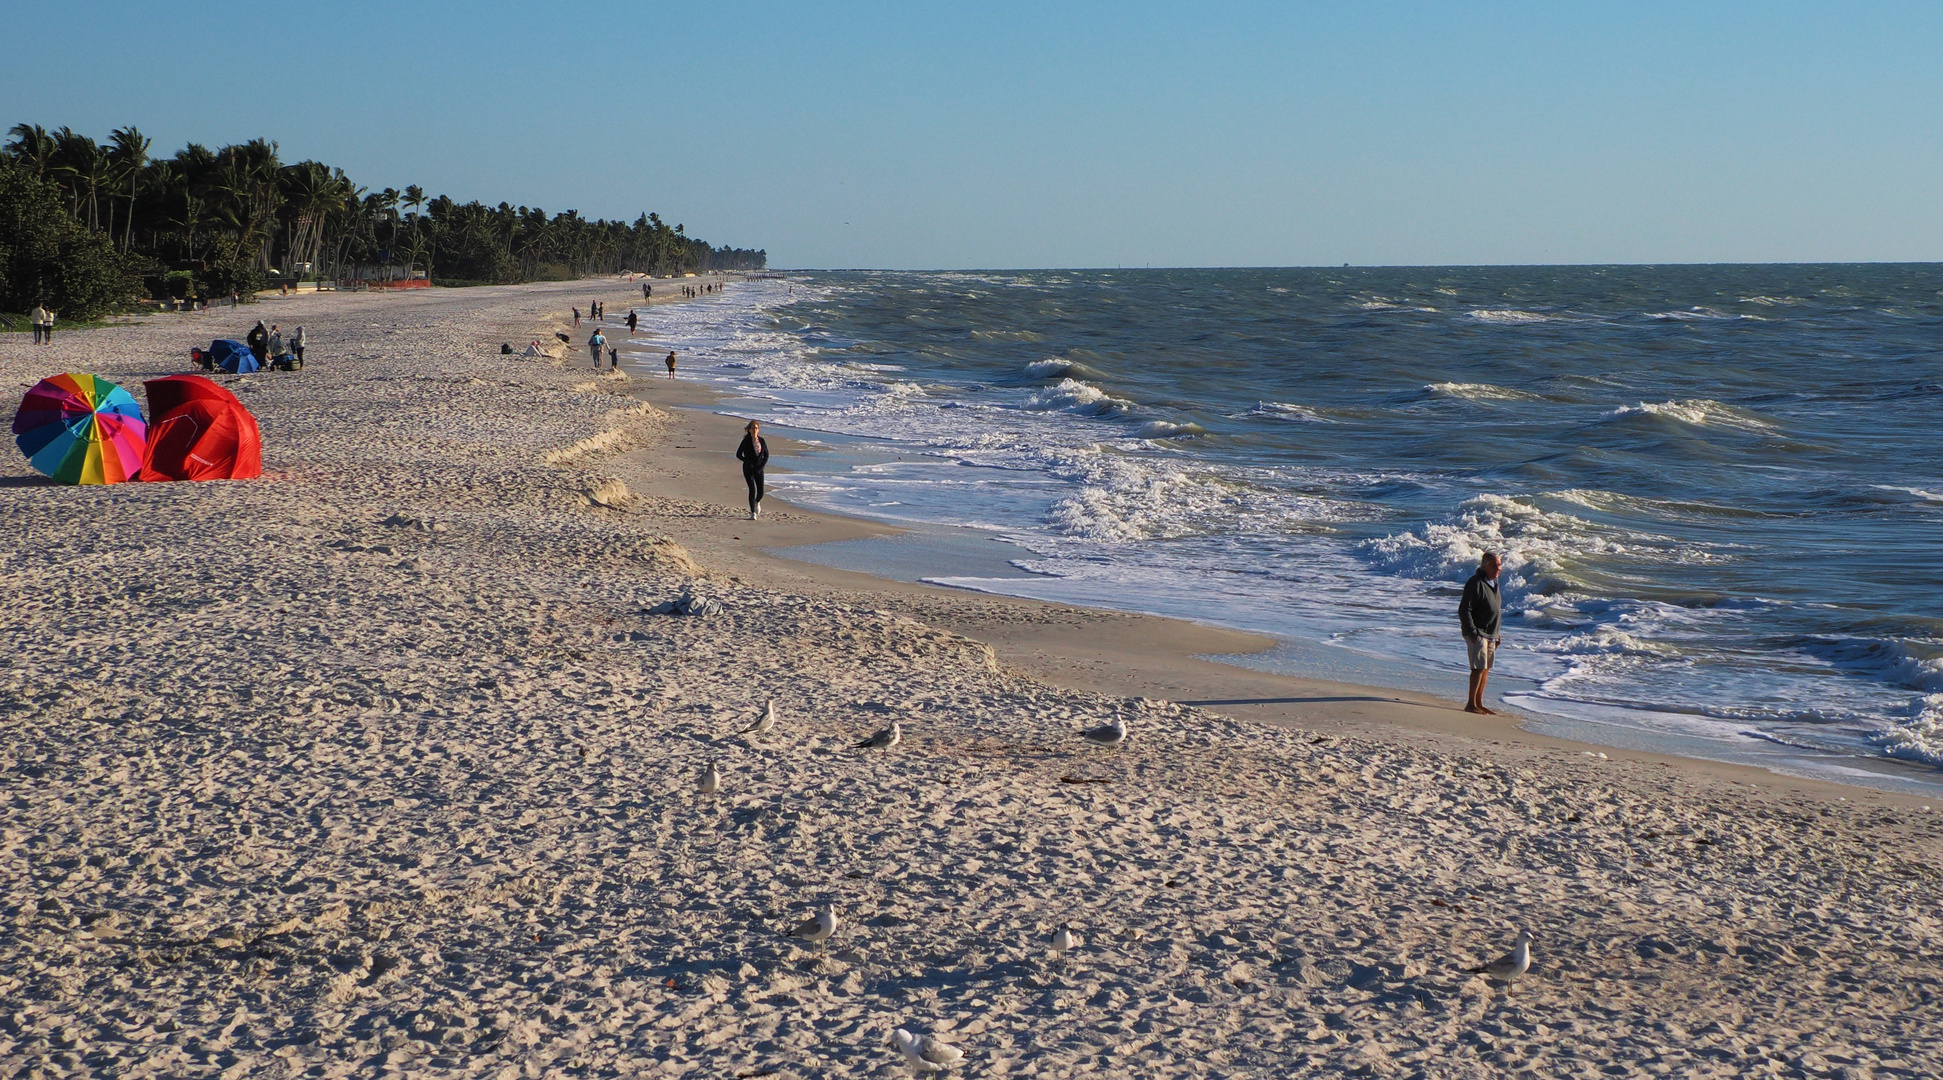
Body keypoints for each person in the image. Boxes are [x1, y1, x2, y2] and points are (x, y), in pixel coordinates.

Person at [1459, 551, 1505, 715]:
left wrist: (1497, 633)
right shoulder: (1476, 582)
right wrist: (1472, 631)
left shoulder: (1494, 583)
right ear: (1485, 566)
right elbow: (1465, 609)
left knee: (1486, 668)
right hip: (1477, 632)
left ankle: (1479, 702)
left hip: (1491, 633)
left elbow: (1496, 610)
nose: (1498, 568)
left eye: (1499, 565)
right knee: (1478, 667)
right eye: (1494, 565)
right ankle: (1471, 703)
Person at [735, 419, 769, 520]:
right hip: (748, 469)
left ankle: (757, 502)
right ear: (749, 429)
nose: (755, 430)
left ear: (758, 430)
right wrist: (747, 461)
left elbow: (766, 455)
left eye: (756, 428)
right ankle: (752, 513)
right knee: (752, 490)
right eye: (753, 428)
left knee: (761, 492)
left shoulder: (762, 441)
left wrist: (761, 465)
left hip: (759, 469)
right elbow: (738, 454)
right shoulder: (746, 441)